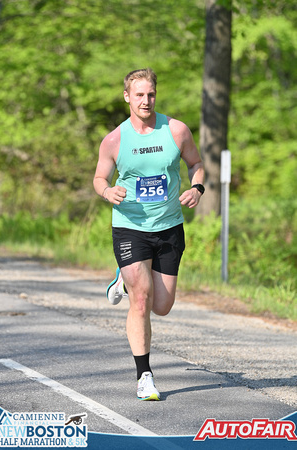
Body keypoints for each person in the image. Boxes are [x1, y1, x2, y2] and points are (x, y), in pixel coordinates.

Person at [93, 68, 204, 401]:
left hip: (169, 225)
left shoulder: (176, 130)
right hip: (130, 227)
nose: (146, 100)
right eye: (139, 94)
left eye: (151, 94)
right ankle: (144, 376)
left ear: (156, 94)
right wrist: (107, 192)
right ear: (127, 96)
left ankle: (122, 280)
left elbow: (196, 164)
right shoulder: (115, 139)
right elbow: (99, 178)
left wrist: (197, 187)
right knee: (141, 298)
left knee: (163, 305)